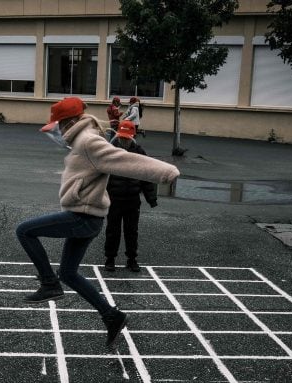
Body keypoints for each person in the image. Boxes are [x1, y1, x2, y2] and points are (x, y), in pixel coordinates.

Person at [15, 97, 179, 350]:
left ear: (69, 122)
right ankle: (112, 316)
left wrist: (166, 172)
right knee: (69, 273)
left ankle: (49, 284)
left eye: (58, 125)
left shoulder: (88, 141)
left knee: (25, 230)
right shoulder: (81, 139)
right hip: (84, 214)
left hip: (83, 217)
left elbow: (125, 160)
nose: (57, 131)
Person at [103, 120, 158, 273]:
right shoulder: (110, 151)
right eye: (122, 137)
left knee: (131, 231)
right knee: (112, 230)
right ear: (118, 135)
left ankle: (132, 259)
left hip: (132, 199)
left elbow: (147, 175)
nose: (125, 140)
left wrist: (151, 198)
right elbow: (101, 174)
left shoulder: (139, 152)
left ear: (133, 136)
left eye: (127, 137)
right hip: (114, 198)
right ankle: (110, 259)